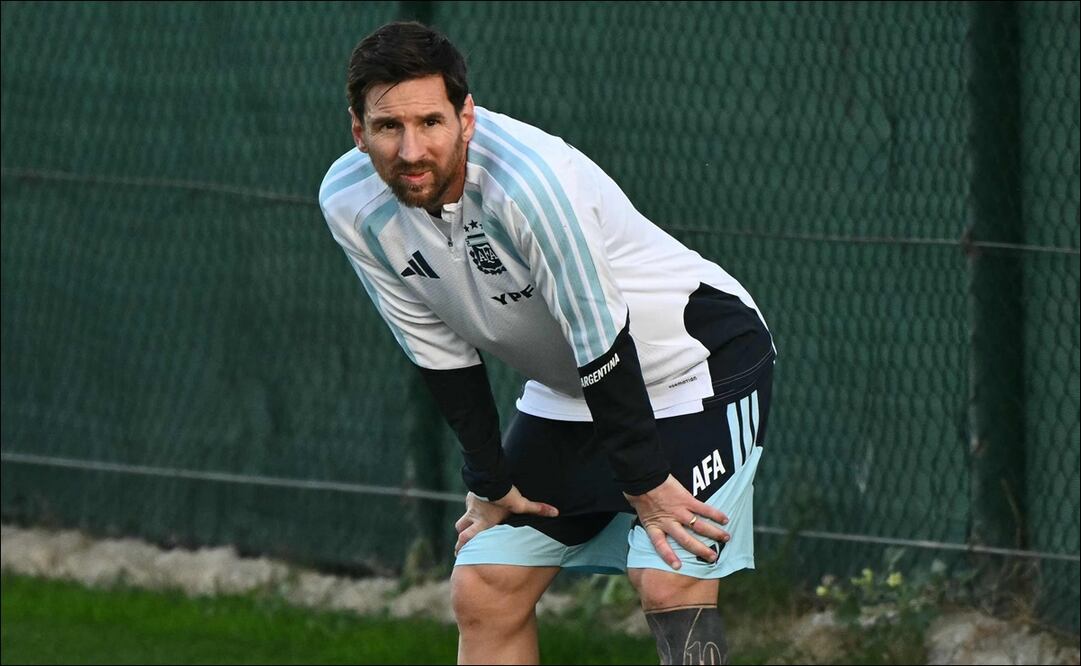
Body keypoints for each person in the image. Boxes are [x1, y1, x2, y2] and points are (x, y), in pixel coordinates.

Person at [319, 21, 775, 665]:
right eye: (389, 128)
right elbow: (436, 348)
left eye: (430, 122)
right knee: (485, 585)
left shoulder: (532, 184)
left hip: (696, 363)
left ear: (466, 117)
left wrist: (643, 480)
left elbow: (599, 334)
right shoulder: (348, 203)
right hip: (575, 388)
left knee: (670, 576)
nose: (411, 149)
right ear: (358, 131)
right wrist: (488, 475)